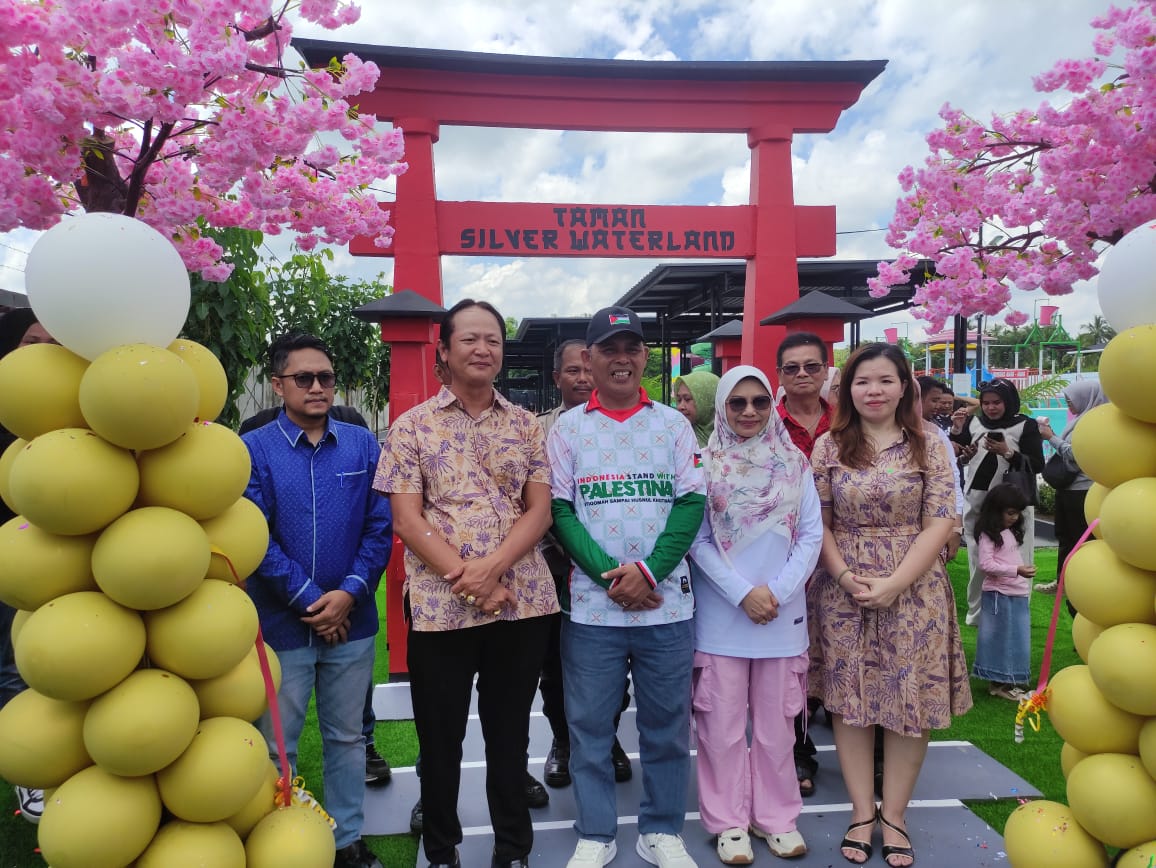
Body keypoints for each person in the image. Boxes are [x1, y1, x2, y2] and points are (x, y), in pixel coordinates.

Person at [375, 299, 558, 868]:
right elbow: (407, 519)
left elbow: (540, 510)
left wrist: (493, 568)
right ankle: (442, 849)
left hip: (520, 605)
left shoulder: (526, 425)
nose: (483, 349)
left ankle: (513, 848)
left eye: (493, 340)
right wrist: (473, 581)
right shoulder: (412, 426)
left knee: (510, 737)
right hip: (440, 609)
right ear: (445, 351)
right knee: (440, 738)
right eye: (470, 339)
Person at [547, 305, 705, 868]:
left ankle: (660, 830)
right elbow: (561, 510)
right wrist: (612, 577)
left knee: (667, 728)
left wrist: (649, 572)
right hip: (594, 610)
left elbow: (691, 502)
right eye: (609, 349)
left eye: (631, 348)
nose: (621, 359)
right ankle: (596, 833)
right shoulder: (568, 428)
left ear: (645, 356)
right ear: (588, 359)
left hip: (666, 606)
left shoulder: (673, 425)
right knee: (589, 727)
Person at [807, 343, 971, 867]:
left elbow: (940, 521)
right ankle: (862, 812)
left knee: (910, 700)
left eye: (884, 380)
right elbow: (818, 522)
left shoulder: (929, 445)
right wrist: (845, 575)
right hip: (844, 588)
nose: (873, 391)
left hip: (915, 588)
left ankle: (895, 815)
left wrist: (896, 583)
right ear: (847, 390)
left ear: (904, 387)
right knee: (850, 698)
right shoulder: (829, 446)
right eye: (862, 381)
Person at [241, 333, 393, 868]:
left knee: (347, 737)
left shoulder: (363, 445)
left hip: (352, 622)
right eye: (302, 378)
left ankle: (347, 839)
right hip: (280, 625)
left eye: (325, 377)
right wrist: (311, 600)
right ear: (277, 384)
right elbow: (254, 536)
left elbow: (380, 527)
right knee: (274, 742)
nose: (316, 387)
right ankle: (275, 840)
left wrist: (347, 594)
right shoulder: (253, 450)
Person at [688, 366, 822, 864]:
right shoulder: (703, 465)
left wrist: (778, 593)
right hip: (722, 620)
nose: (749, 412)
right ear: (721, 407)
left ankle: (776, 818)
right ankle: (728, 823)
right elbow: (697, 540)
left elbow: (811, 535)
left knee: (776, 729)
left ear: (772, 405)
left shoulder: (795, 463)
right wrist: (743, 593)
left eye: (760, 402)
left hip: (781, 621)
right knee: (720, 730)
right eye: (737, 402)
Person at [537, 339, 632, 790]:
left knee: (615, 668)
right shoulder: (539, 430)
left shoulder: (629, 427)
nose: (581, 378)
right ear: (557, 377)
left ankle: (607, 739)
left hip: (617, 572)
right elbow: (537, 503)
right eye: (571, 371)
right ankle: (563, 741)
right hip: (555, 571)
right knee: (556, 669)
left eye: (586, 369)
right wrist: (563, 553)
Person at [0, 308, 58, 826]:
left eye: (53, 344)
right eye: (30, 340)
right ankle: (31, 767)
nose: (41, 351)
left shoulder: (76, 412)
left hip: (72, 562)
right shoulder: (11, 415)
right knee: (16, 663)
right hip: (18, 561)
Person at [774, 331, 831, 799]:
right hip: (785, 562)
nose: (802, 375)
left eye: (811, 366)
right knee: (792, 665)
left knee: (847, 656)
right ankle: (798, 751)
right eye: (791, 368)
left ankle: (873, 751)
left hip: (845, 558)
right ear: (780, 375)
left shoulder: (848, 422)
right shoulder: (764, 423)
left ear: (826, 370)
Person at [949, 379, 1045, 627]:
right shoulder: (973, 423)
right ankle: (978, 613)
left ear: (1008, 401)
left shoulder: (1025, 425)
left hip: (1012, 504)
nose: (991, 408)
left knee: (1017, 554)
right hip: (977, 500)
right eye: (986, 403)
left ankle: (1015, 611)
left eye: (997, 402)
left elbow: (1037, 464)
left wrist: (1007, 452)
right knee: (978, 556)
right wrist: (958, 436)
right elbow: (956, 454)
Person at [1034, 381, 1108, 597]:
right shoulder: (1080, 420)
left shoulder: (1093, 423)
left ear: (1087, 398)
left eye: (1071, 400)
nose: (1069, 404)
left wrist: (1051, 438)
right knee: (1065, 537)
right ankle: (1063, 580)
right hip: (1068, 488)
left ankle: (1080, 582)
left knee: (1078, 539)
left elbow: (1077, 455)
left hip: (1082, 490)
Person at [971, 484, 1035, 701]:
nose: (1015, 517)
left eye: (1017, 513)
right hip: (999, 595)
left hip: (1016, 593)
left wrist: (1018, 573)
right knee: (1001, 640)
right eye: (1010, 513)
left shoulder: (1008, 533)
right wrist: (1016, 570)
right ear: (995, 510)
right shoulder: (988, 535)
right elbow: (986, 564)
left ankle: (1009, 679)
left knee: (1017, 639)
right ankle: (998, 683)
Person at [673, 370, 721, 447]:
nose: (680, 407)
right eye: (679, 400)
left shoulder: (734, 436)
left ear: (708, 400)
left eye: (687, 399)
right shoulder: (675, 438)